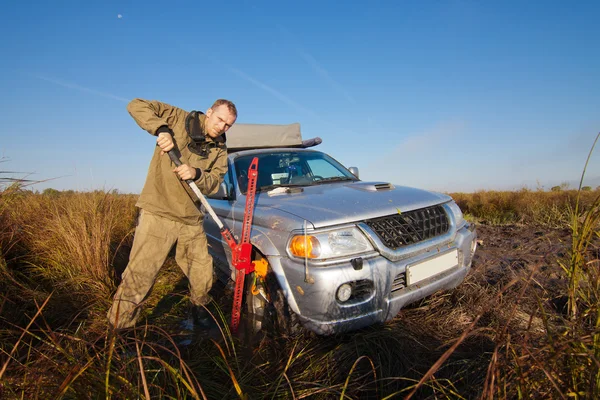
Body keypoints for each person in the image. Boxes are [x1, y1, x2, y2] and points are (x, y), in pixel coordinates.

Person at [107, 98, 237, 330]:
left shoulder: (220, 149)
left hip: (190, 219)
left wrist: (196, 173)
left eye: (228, 125)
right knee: (141, 275)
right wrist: (161, 129)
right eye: (220, 120)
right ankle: (120, 329)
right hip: (159, 212)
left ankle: (199, 312)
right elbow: (135, 105)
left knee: (203, 275)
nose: (222, 127)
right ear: (209, 112)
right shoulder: (177, 118)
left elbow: (214, 183)